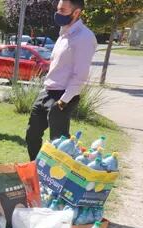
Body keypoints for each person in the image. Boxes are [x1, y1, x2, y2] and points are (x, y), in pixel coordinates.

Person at [25, 0, 96, 160]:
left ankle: (56, 181)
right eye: (58, 9)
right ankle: (36, 172)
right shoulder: (63, 32)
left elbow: (80, 75)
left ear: (76, 12)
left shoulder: (84, 37)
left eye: (63, 10)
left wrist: (63, 102)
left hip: (63, 96)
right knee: (32, 135)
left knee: (58, 146)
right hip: (47, 91)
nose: (58, 13)